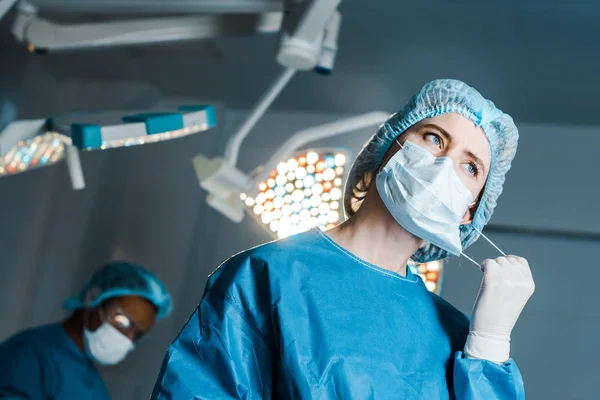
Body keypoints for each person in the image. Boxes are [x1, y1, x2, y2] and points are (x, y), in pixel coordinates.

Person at [151, 79, 535, 399]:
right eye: (434, 139)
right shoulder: (267, 274)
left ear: (469, 212)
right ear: (390, 147)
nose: (443, 167)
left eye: (470, 167)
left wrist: (489, 344)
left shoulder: (453, 334)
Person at [0, 261, 173, 400]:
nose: (128, 338)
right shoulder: (29, 354)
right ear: (93, 299)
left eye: (137, 334)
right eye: (123, 321)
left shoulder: (92, 382)